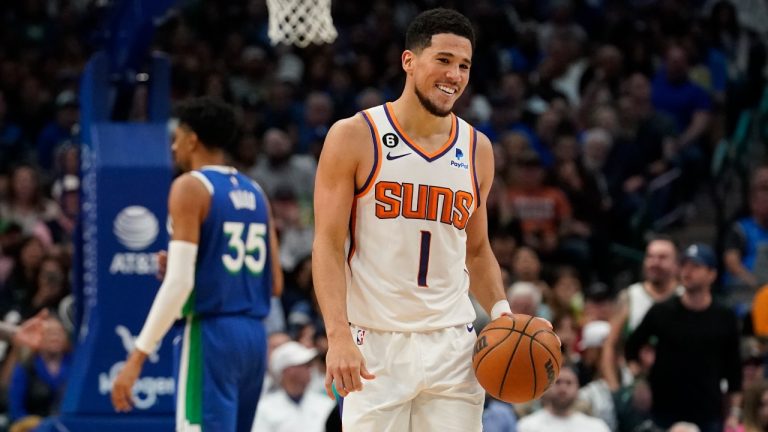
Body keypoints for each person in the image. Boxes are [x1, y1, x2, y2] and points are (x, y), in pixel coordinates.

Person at [312, 8, 550, 431]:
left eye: (464, 65)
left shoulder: (478, 148)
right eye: (443, 60)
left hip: (454, 347)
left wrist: (501, 313)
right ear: (409, 61)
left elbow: (476, 250)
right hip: (375, 343)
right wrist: (337, 336)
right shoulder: (355, 135)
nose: (454, 75)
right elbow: (329, 245)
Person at [110, 97, 283, 432]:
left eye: (177, 137)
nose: (173, 147)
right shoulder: (256, 191)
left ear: (192, 139)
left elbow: (179, 285)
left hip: (212, 335)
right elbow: (274, 283)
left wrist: (136, 358)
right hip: (253, 339)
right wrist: (198, 267)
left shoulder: (190, 186)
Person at [625, 243, 742, 432]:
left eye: (696, 266)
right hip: (663, 412)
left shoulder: (724, 316)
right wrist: (640, 380)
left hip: (707, 412)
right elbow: (631, 347)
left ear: (711, 274)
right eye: (685, 265)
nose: (687, 271)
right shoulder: (662, 311)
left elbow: (734, 370)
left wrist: (734, 412)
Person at [601, 236, 681, 391]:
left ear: (677, 264)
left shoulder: (683, 297)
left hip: (676, 386)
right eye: (650, 257)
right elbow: (610, 344)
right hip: (635, 385)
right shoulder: (630, 296)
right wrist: (614, 386)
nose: (655, 262)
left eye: (662, 257)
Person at [253, 341, 335, 432]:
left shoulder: (326, 404)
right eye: (305, 365)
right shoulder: (264, 408)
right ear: (288, 370)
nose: (310, 369)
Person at [516, 364, 611, 432]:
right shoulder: (527, 426)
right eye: (557, 382)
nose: (563, 388)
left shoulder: (596, 427)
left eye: (569, 383)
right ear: (546, 388)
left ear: (578, 389)